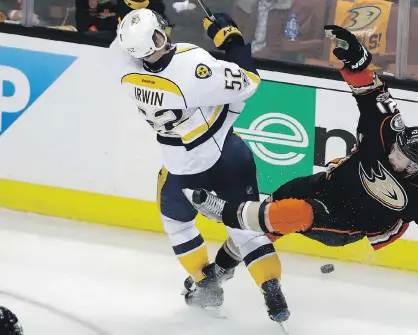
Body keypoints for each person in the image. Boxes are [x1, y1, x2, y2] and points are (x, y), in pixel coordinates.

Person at [185, 25, 418, 318]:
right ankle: (217, 274)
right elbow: (371, 92)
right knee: (268, 217)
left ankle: (226, 212)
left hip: (352, 222)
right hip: (328, 184)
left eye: (405, 160)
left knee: (296, 213)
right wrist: (357, 63)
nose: (395, 156)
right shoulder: (387, 129)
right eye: (397, 149)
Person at [111, 8, 287, 322]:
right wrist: (231, 40)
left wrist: (132, 11)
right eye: (157, 32)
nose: (162, 32)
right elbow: (249, 81)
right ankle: (270, 285)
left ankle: (207, 286)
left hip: (182, 168)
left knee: (177, 224)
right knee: (245, 227)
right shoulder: (191, 65)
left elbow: (123, 39)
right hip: (230, 155)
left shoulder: (125, 74)